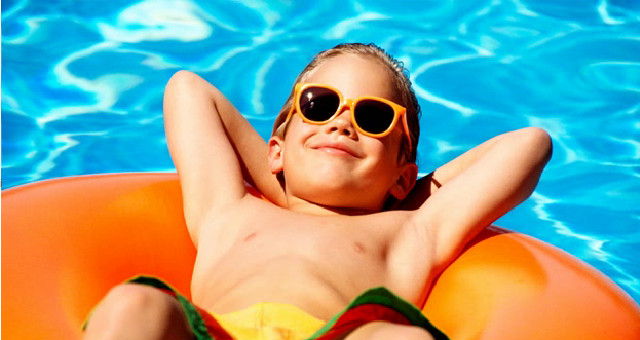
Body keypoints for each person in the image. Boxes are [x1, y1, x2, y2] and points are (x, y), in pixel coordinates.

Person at [83, 43, 552, 340]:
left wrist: (404, 194)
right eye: (319, 105)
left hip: (336, 335)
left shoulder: (411, 229)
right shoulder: (228, 208)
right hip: (218, 333)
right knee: (135, 303)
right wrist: (283, 178)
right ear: (276, 150)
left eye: (374, 118)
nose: (342, 122)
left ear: (403, 176)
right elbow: (186, 89)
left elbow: (529, 145)